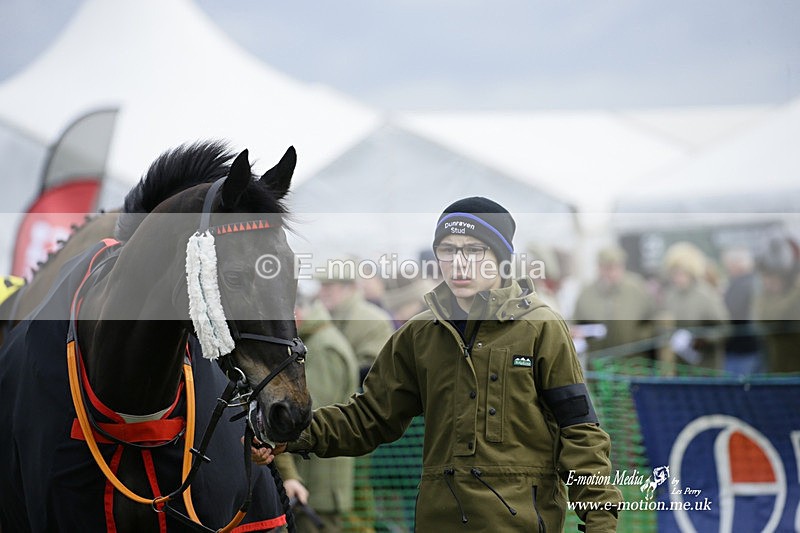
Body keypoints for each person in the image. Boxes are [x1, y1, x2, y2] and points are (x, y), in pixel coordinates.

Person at [257, 197, 622, 532]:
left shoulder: (541, 327)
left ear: (501, 257)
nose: (459, 262)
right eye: (448, 250)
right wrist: (287, 436)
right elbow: (367, 418)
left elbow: (580, 433)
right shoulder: (419, 334)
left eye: (475, 250)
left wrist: (601, 523)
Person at [274, 298, 360, 533]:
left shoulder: (323, 349)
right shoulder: (317, 342)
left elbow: (306, 418)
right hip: (308, 484)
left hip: (316, 489)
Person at [572, 245, 657, 365]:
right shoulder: (586, 294)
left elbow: (654, 319)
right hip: (599, 365)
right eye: (607, 268)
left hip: (634, 363)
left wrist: (640, 337)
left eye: (616, 268)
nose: (612, 273)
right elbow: (575, 324)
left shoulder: (637, 288)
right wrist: (579, 333)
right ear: (599, 268)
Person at [660, 241, 729, 369]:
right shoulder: (670, 296)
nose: (677, 278)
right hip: (679, 366)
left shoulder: (706, 295)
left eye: (681, 273)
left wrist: (701, 339)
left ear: (691, 272)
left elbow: (724, 329)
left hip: (705, 366)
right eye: (674, 273)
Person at [752, 236, 800, 373]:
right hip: (780, 369)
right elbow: (765, 320)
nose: (766, 281)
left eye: (772, 276)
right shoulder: (767, 297)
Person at [720, 246, 763, 375]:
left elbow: (732, 311)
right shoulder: (749, 282)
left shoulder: (745, 284)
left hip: (743, 347)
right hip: (744, 346)